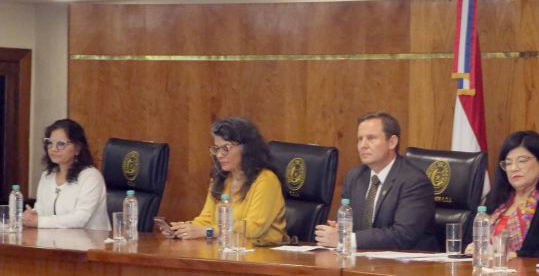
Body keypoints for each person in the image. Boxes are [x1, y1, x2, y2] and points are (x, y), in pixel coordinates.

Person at [315, 111, 435, 250]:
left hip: (409, 260)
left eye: (371, 138)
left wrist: (346, 239)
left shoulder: (414, 181)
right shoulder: (355, 176)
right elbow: (345, 220)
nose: (363, 145)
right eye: (360, 139)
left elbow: (403, 235)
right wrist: (337, 228)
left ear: (392, 142)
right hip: (362, 257)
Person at [169, 117, 288, 245]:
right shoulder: (221, 178)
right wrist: (183, 229)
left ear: (246, 148)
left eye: (225, 148)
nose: (219, 155)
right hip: (227, 249)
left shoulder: (266, 180)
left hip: (262, 251)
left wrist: (207, 231)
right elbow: (206, 219)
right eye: (216, 148)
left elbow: (253, 228)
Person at [467, 130, 539, 258]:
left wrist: (516, 255)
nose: (513, 168)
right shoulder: (497, 198)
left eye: (522, 161)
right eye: (508, 163)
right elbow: (473, 238)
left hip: (526, 270)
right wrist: (472, 247)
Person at [22, 118, 110, 230]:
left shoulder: (91, 177)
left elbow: (80, 219)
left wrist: (40, 221)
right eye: (50, 143)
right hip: (54, 239)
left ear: (77, 148)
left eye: (61, 144)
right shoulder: (47, 175)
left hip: (90, 240)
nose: (54, 149)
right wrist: (32, 215)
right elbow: (41, 209)